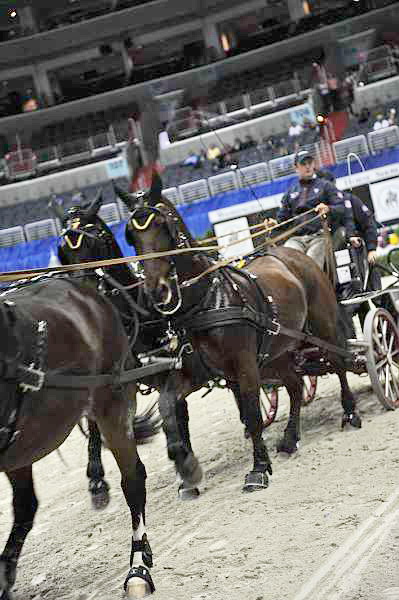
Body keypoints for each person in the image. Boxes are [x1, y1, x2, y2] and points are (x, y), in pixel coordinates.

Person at [264, 150, 347, 271]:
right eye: (303, 164)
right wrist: (274, 224)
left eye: (310, 162)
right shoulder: (290, 192)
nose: (308, 166)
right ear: (296, 167)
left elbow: (341, 207)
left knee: (310, 266)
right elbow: (282, 221)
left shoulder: (326, 186)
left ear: (314, 164)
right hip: (296, 239)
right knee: (285, 261)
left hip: (320, 237)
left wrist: (328, 209)